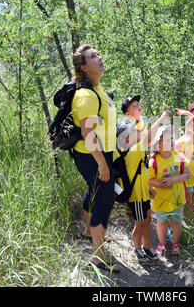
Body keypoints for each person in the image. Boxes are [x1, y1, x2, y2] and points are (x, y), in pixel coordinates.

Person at [70, 44, 119, 273]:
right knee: (104, 200)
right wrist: (102, 165)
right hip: (92, 154)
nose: (99, 58)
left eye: (98, 54)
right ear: (84, 68)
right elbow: (89, 135)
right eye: (92, 57)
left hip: (103, 152)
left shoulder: (98, 88)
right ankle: (98, 258)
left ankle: (90, 233)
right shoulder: (86, 95)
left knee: (95, 191)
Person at [115, 108, 171, 263]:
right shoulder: (133, 150)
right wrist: (161, 118)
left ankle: (147, 247)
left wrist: (149, 189)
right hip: (136, 196)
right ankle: (137, 249)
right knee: (140, 224)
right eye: (133, 132)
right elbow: (149, 138)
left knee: (147, 221)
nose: (138, 132)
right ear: (126, 139)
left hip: (143, 194)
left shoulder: (138, 152)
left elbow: (142, 173)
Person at [149, 125, 191, 256]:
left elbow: (187, 175)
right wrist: (159, 185)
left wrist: (174, 180)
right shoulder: (154, 161)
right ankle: (162, 244)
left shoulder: (180, 157)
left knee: (176, 222)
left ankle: (175, 244)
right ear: (158, 146)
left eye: (172, 139)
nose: (172, 142)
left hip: (177, 198)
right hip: (161, 200)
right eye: (167, 140)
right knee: (161, 222)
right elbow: (149, 179)